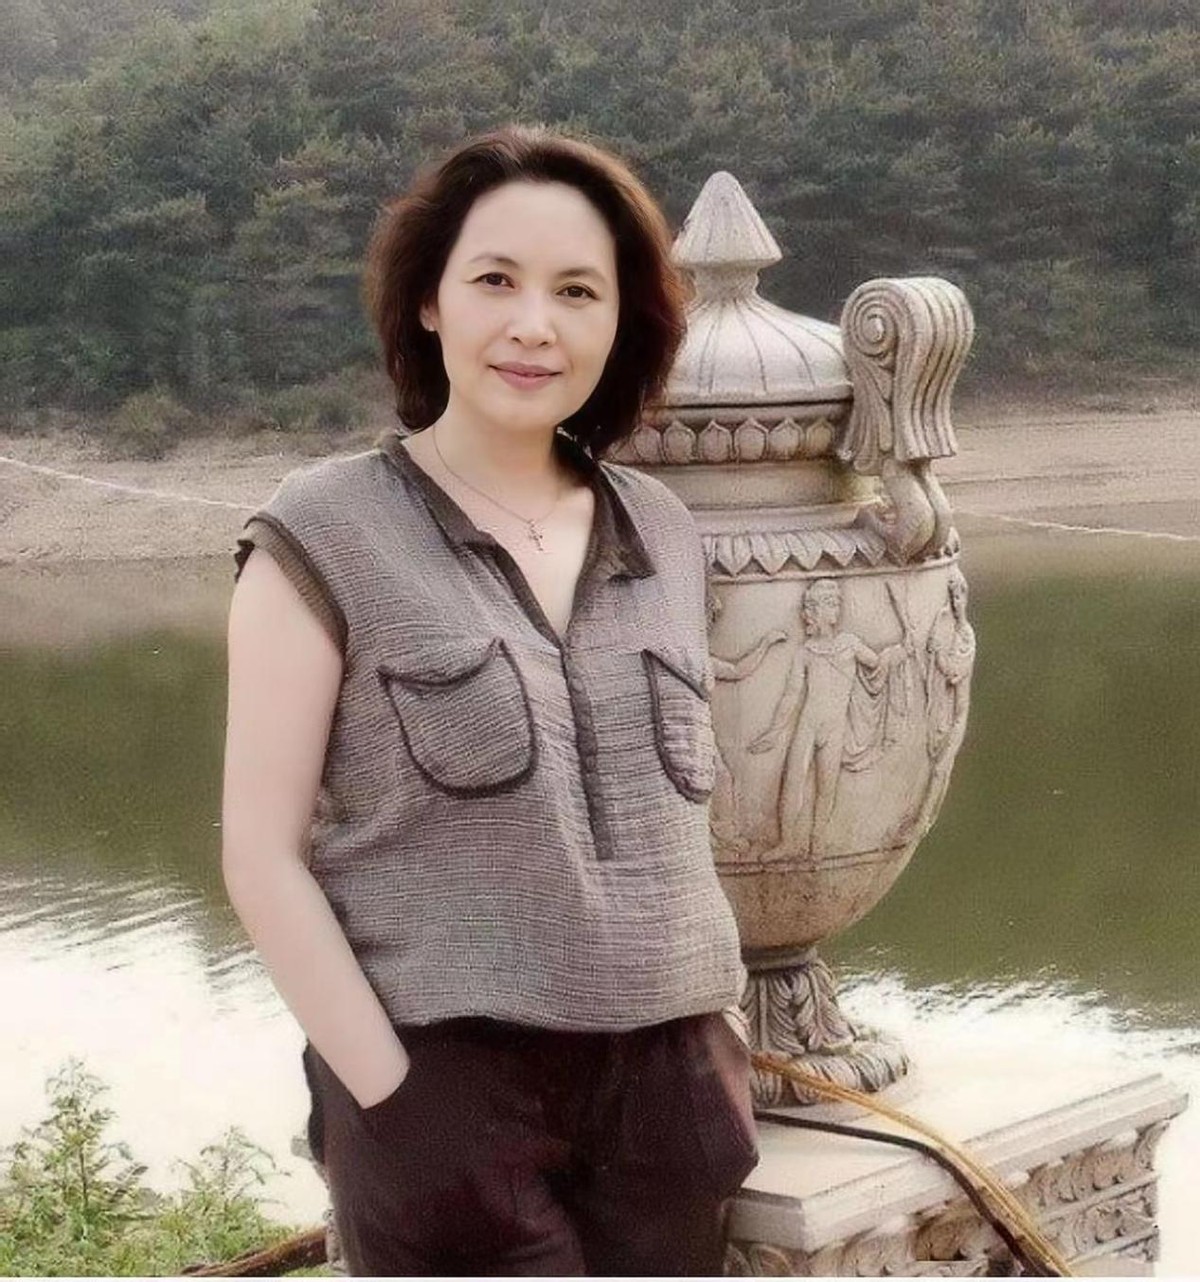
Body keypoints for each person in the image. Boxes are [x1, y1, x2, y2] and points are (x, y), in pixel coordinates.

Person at [221, 122, 759, 1276]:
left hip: (670, 1103)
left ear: (620, 321)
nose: (534, 325)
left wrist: (720, 1044)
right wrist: (393, 1099)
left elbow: (685, 815)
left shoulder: (664, 529)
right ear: (429, 300)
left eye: (577, 291)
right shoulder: (324, 530)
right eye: (496, 281)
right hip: (447, 1095)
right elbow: (258, 854)